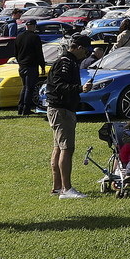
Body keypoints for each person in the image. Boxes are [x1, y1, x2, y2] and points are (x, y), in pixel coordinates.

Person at [43, 35, 84, 198]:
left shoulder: (67, 60)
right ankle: (66, 189)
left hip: (57, 109)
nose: (86, 54)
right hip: (62, 110)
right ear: (79, 47)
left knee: (58, 148)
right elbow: (60, 86)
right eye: (85, 50)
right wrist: (80, 88)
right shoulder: (66, 62)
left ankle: (57, 187)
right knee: (67, 148)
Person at [12, 19, 44, 117]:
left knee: (25, 87)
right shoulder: (35, 37)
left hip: (22, 66)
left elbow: (15, 53)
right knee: (29, 88)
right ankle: (26, 108)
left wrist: (20, 62)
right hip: (31, 66)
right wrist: (42, 65)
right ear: (34, 26)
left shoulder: (19, 37)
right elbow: (39, 53)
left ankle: (20, 107)